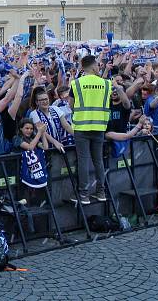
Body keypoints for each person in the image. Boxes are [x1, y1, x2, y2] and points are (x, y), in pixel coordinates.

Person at [69, 55, 112, 205]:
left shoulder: (76, 84)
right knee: (98, 161)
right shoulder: (106, 84)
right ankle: (101, 192)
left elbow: (71, 105)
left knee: (83, 161)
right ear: (94, 67)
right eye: (98, 66)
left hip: (81, 126)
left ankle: (84, 195)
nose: (99, 68)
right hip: (100, 126)